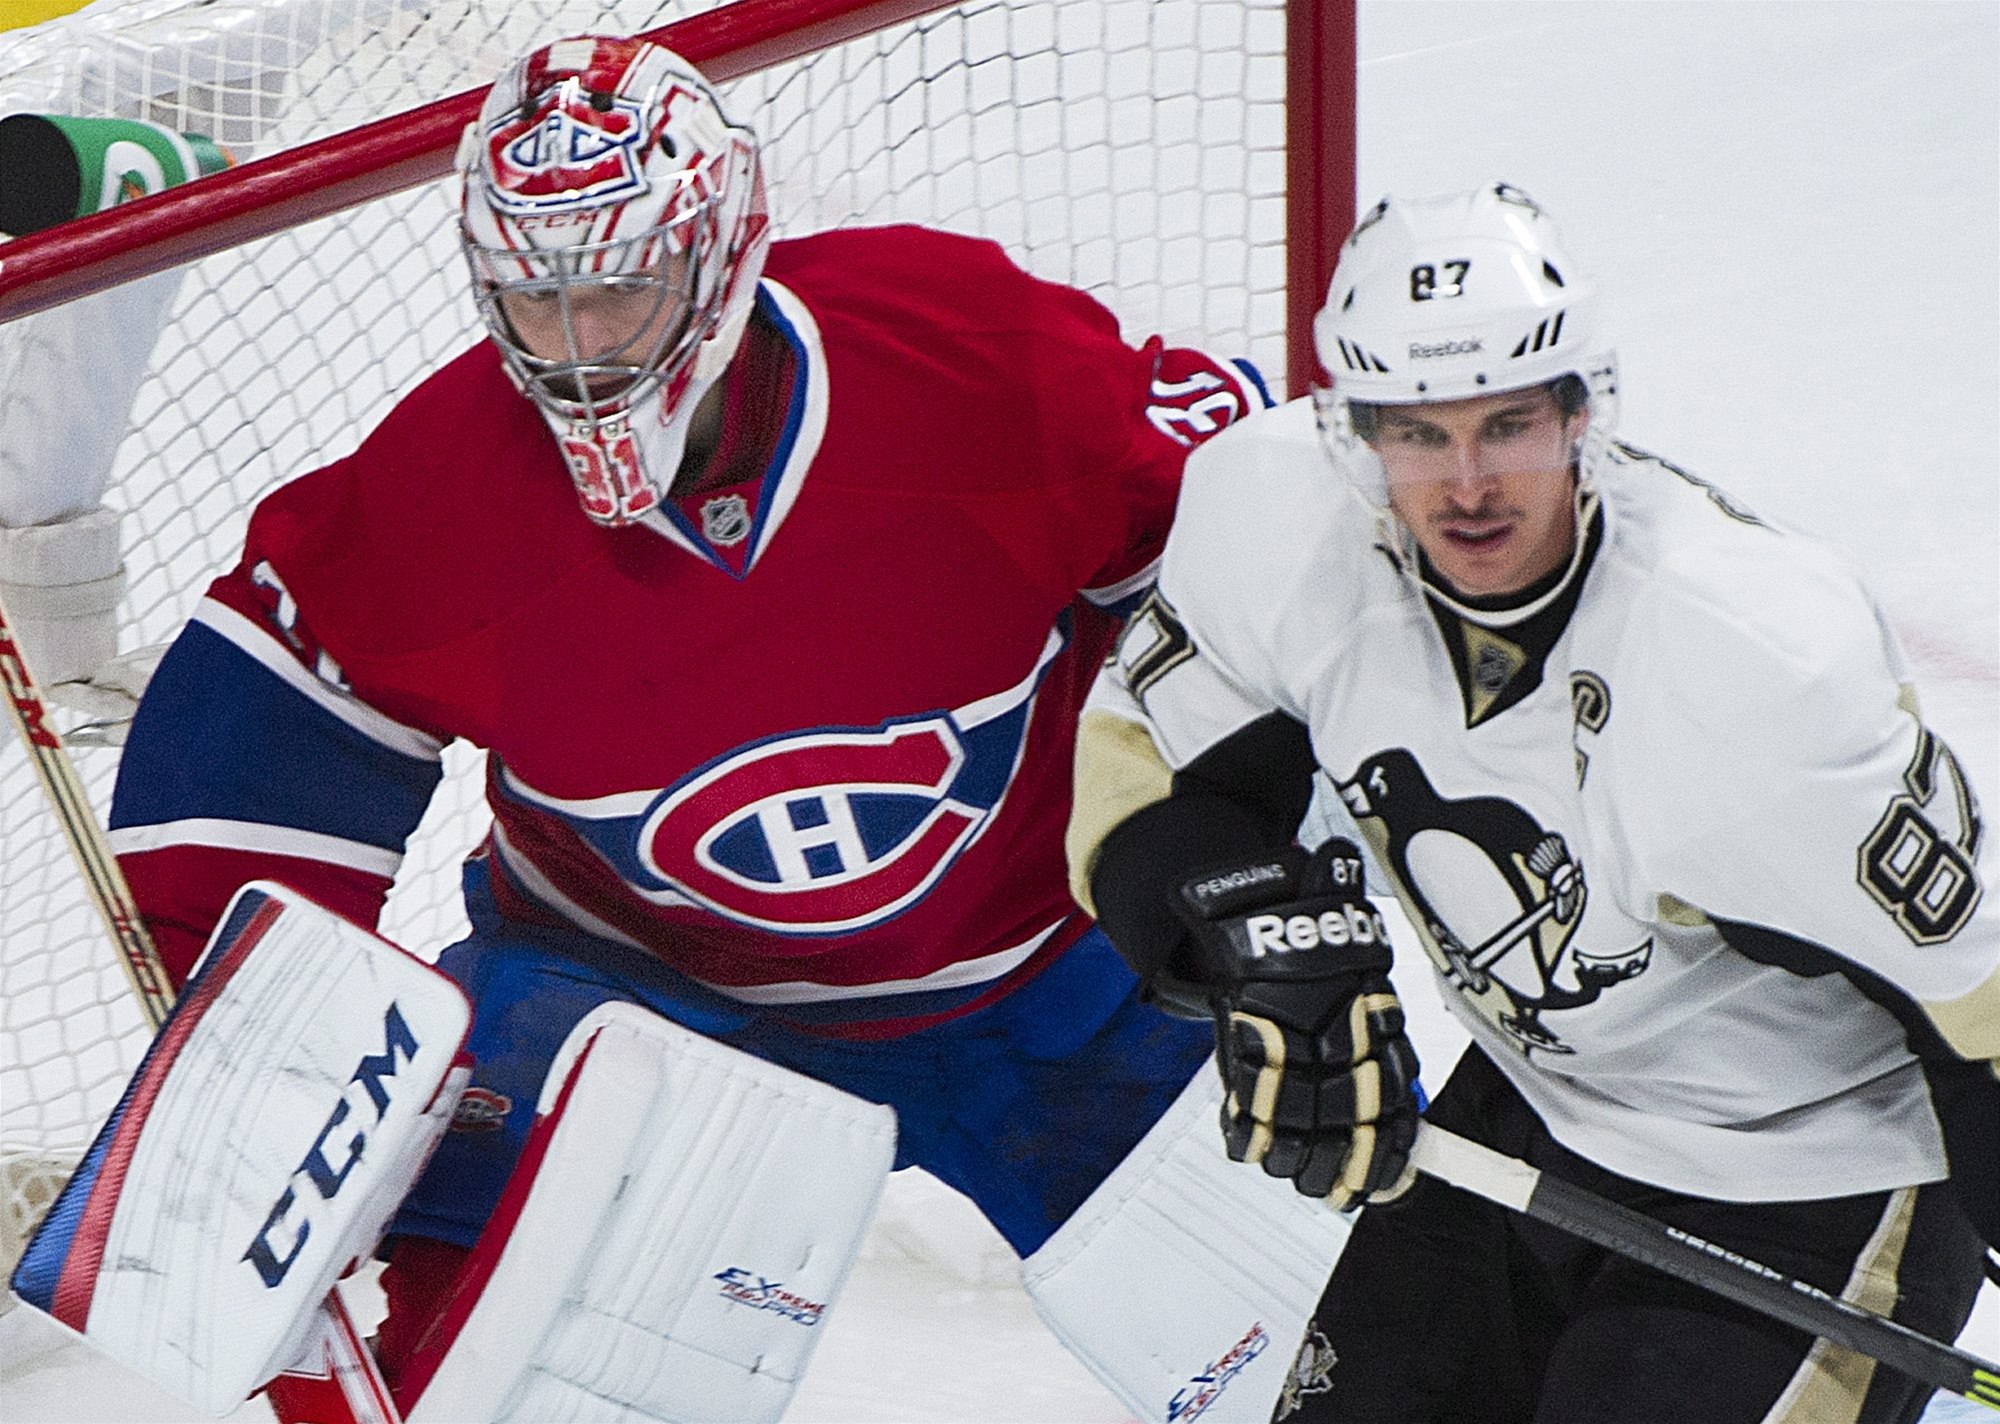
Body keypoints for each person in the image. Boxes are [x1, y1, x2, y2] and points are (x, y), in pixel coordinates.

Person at [83, 33, 1338, 1424]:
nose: (578, 347)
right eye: (535, 300)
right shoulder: (443, 489)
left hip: (1056, 976)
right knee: (473, 1389)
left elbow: (1250, 542)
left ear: (722, 246)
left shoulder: (974, 357)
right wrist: (269, 1078)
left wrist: (1253, 860)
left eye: (617, 290)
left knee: (1354, 1345)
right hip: (640, 1005)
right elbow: (264, 733)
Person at [1067, 181, 1999, 1424]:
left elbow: (1980, 1000)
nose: (1466, 485)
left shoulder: (1745, 663)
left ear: (1579, 411)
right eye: (1417, 432)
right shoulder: (1277, 517)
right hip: (1528, 1110)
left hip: (1808, 1184)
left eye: (1505, 424)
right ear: (1354, 429)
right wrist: (1249, 938)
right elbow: (1143, 770)